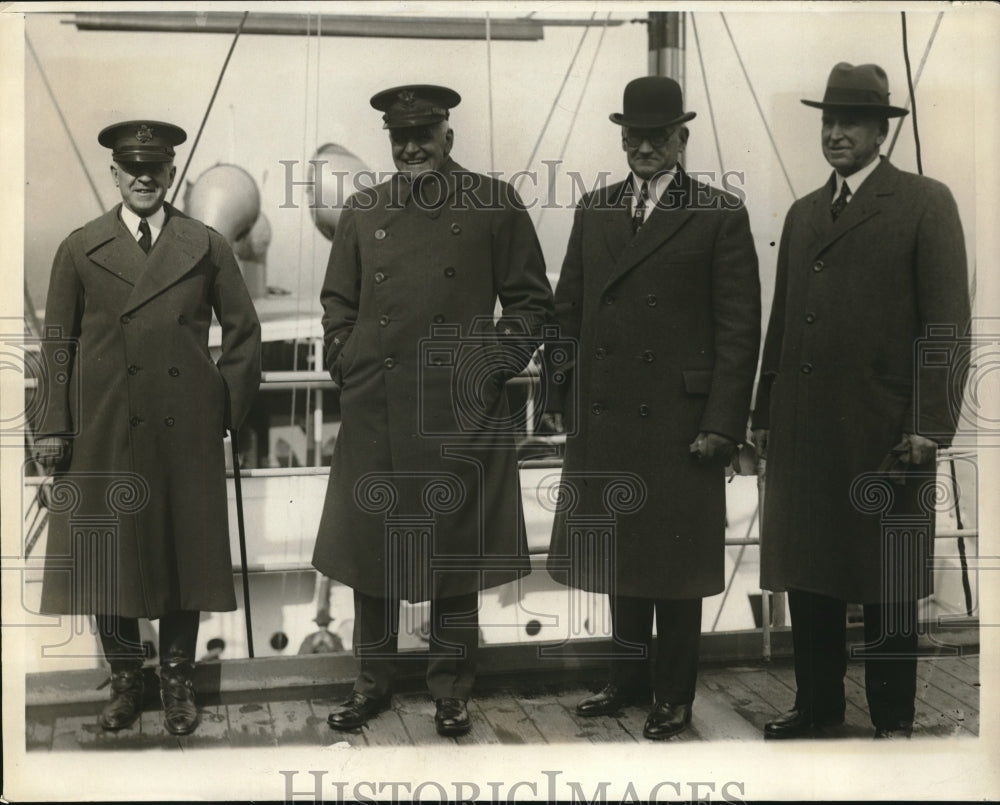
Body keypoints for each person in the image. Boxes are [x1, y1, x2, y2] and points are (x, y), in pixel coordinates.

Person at [313, 84, 554, 737]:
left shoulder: (493, 203)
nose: (413, 146)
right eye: (401, 137)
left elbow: (531, 300)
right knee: (373, 551)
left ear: (448, 133)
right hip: (378, 406)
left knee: (455, 548)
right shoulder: (364, 210)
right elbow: (337, 303)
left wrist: (491, 365)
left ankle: (452, 686)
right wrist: (349, 359)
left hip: (458, 403)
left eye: (425, 133)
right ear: (390, 141)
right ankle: (372, 682)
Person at [751, 63, 971, 739]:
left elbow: (946, 326)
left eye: (850, 122)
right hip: (806, 429)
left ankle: (893, 717)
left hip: (886, 431)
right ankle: (817, 707)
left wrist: (930, 424)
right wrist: (764, 414)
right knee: (810, 573)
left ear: (881, 130)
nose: (836, 132)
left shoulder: (924, 202)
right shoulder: (803, 211)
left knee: (890, 580)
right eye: (828, 120)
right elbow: (782, 322)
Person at [542, 76, 761, 740]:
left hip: (680, 423)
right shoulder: (596, 208)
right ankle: (627, 679)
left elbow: (738, 330)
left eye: (657, 136)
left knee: (675, 568)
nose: (643, 146)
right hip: (606, 416)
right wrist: (556, 395)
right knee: (621, 558)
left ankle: (673, 694)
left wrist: (723, 423)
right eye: (633, 135)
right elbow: (567, 312)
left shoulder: (720, 213)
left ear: (681, 139)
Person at [33, 120, 262, 735]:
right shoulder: (80, 247)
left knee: (183, 556)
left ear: (170, 175)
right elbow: (58, 346)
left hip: (183, 429)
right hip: (103, 425)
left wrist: (223, 407)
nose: (143, 177)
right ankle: (127, 681)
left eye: (154, 168)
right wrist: (53, 429)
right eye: (131, 168)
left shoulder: (207, 244)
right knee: (111, 560)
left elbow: (244, 334)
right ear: (115, 174)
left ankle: (178, 682)